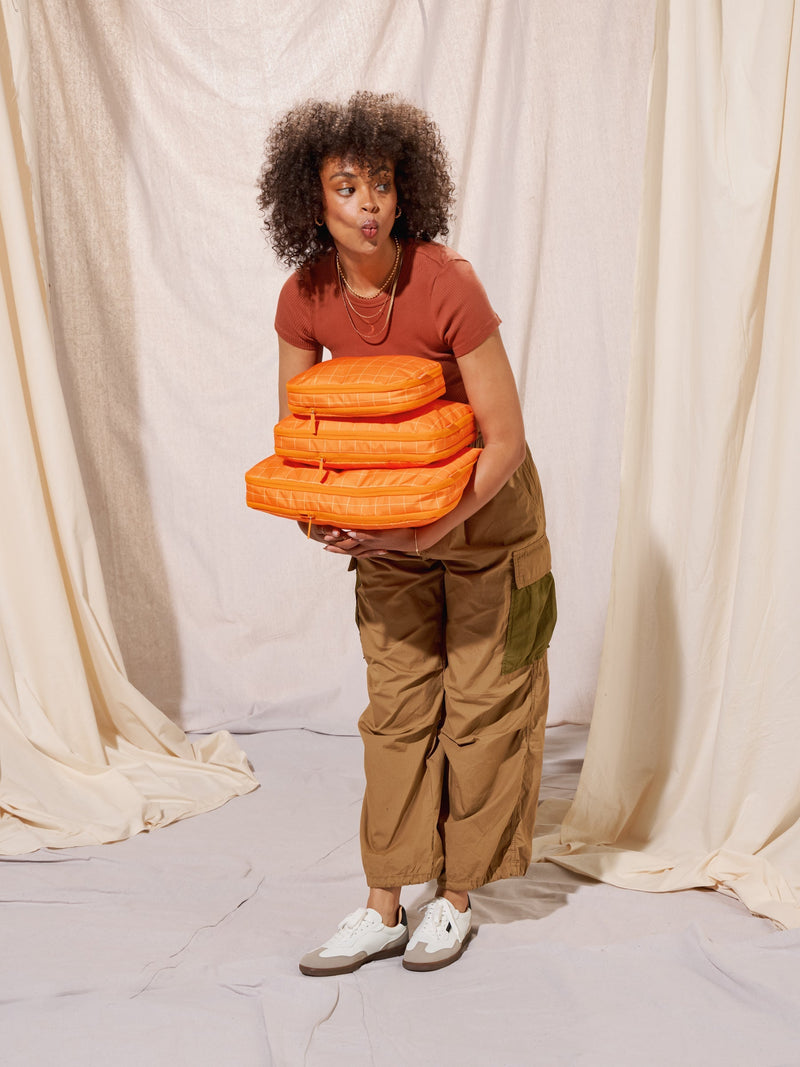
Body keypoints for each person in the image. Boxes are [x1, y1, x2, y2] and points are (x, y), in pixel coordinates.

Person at [257, 91, 556, 975]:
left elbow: (506, 439)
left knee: (482, 710)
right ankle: (385, 901)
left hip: (487, 519)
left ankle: (455, 898)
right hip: (387, 531)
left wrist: (440, 527)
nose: (369, 201)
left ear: (405, 190)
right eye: (346, 186)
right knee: (397, 712)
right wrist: (324, 519)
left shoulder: (445, 282)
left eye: (382, 182)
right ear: (311, 203)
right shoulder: (303, 297)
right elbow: (301, 439)